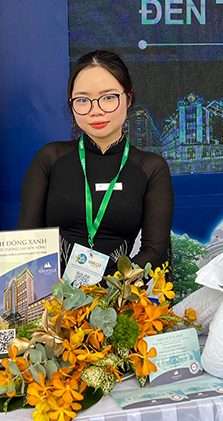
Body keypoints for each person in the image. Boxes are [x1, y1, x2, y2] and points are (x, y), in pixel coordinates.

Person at [17, 50, 174, 278]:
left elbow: (155, 251)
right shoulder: (50, 157)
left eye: (108, 97)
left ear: (129, 98)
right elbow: (26, 240)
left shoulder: (151, 167)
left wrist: (110, 290)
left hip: (119, 294)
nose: (96, 110)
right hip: (54, 293)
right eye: (83, 100)